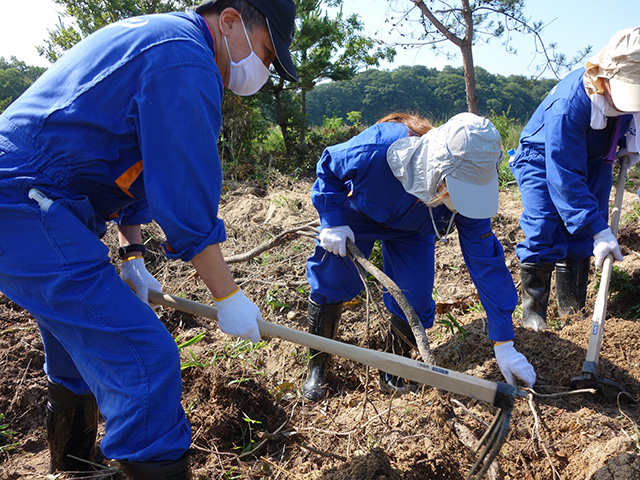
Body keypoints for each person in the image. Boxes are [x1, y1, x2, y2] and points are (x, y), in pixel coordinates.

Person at [0, 0, 297, 478]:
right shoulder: (185, 58)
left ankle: (70, 468)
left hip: (40, 202)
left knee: (78, 348)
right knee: (144, 359)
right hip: (22, 201)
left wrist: (133, 254)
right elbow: (182, 193)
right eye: (266, 53)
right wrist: (228, 295)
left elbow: (132, 168)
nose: (263, 69)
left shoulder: (165, 41)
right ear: (230, 20)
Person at [302, 111, 536, 402]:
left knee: (414, 297)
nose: (459, 196)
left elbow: (485, 262)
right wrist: (332, 220)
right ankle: (317, 369)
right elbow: (329, 165)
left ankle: (393, 371)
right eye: (457, 186)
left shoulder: (467, 203)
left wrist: (504, 341)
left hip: (414, 229)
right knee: (333, 278)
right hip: (359, 214)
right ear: (439, 166)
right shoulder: (377, 149)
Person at [509, 27, 640, 331]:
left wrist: (626, 146)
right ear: (605, 76)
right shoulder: (569, 106)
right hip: (543, 159)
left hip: (598, 158)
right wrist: (599, 229)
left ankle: (572, 315)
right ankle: (533, 314)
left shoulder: (622, 100)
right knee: (544, 226)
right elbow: (563, 174)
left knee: (581, 238)